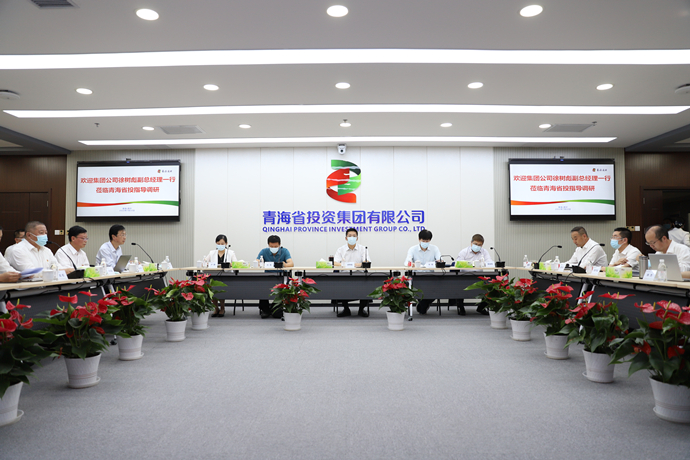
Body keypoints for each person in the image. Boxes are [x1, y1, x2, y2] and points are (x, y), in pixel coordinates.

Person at [452, 234, 494, 316]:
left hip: (479, 277)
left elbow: (490, 262)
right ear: (471, 242)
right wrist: (471, 264)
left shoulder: (484, 252)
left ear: (482, 245)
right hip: (464, 276)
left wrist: (483, 263)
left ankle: (481, 307)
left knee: (490, 287)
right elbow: (458, 264)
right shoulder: (464, 252)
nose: (477, 246)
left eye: (479, 245)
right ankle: (461, 307)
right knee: (459, 286)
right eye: (475, 244)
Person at [333, 228, 371, 317]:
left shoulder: (363, 249)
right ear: (346, 238)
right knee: (340, 286)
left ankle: (361, 309)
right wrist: (345, 265)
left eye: (354, 236)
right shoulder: (341, 249)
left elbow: (367, 262)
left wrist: (356, 265)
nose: (352, 238)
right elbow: (334, 263)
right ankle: (346, 309)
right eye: (350, 236)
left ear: (357, 238)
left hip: (360, 274)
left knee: (367, 286)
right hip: (344, 275)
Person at [255, 235, 294, 319]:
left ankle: (276, 308)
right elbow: (257, 262)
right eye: (271, 246)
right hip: (267, 277)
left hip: (281, 277)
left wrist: (284, 264)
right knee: (262, 289)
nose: (273, 248)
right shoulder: (264, 251)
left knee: (277, 314)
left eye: (276, 246)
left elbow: (291, 263)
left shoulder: (284, 251)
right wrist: (261, 263)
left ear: (279, 245)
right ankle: (265, 310)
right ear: (268, 245)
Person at [404, 229, 441, 315]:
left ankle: (423, 304)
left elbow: (439, 260)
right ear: (419, 239)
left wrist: (439, 261)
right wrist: (411, 264)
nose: (425, 242)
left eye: (427, 241)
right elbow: (406, 263)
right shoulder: (413, 249)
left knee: (439, 289)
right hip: (416, 277)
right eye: (423, 241)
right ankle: (423, 304)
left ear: (430, 240)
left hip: (431, 276)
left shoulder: (435, 249)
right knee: (417, 290)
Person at [203, 234, 237, 317]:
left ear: (226, 243)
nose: (220, 245)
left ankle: (222, 308)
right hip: (214, 274)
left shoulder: (230, 253)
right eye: (218, 244)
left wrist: (230, 264)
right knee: (212, 290)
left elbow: (235, 263)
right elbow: (205, 262)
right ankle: (216, 308)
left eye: (222, 244)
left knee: (221, 290)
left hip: (226, 275)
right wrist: (205, 262)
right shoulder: (212, 253)